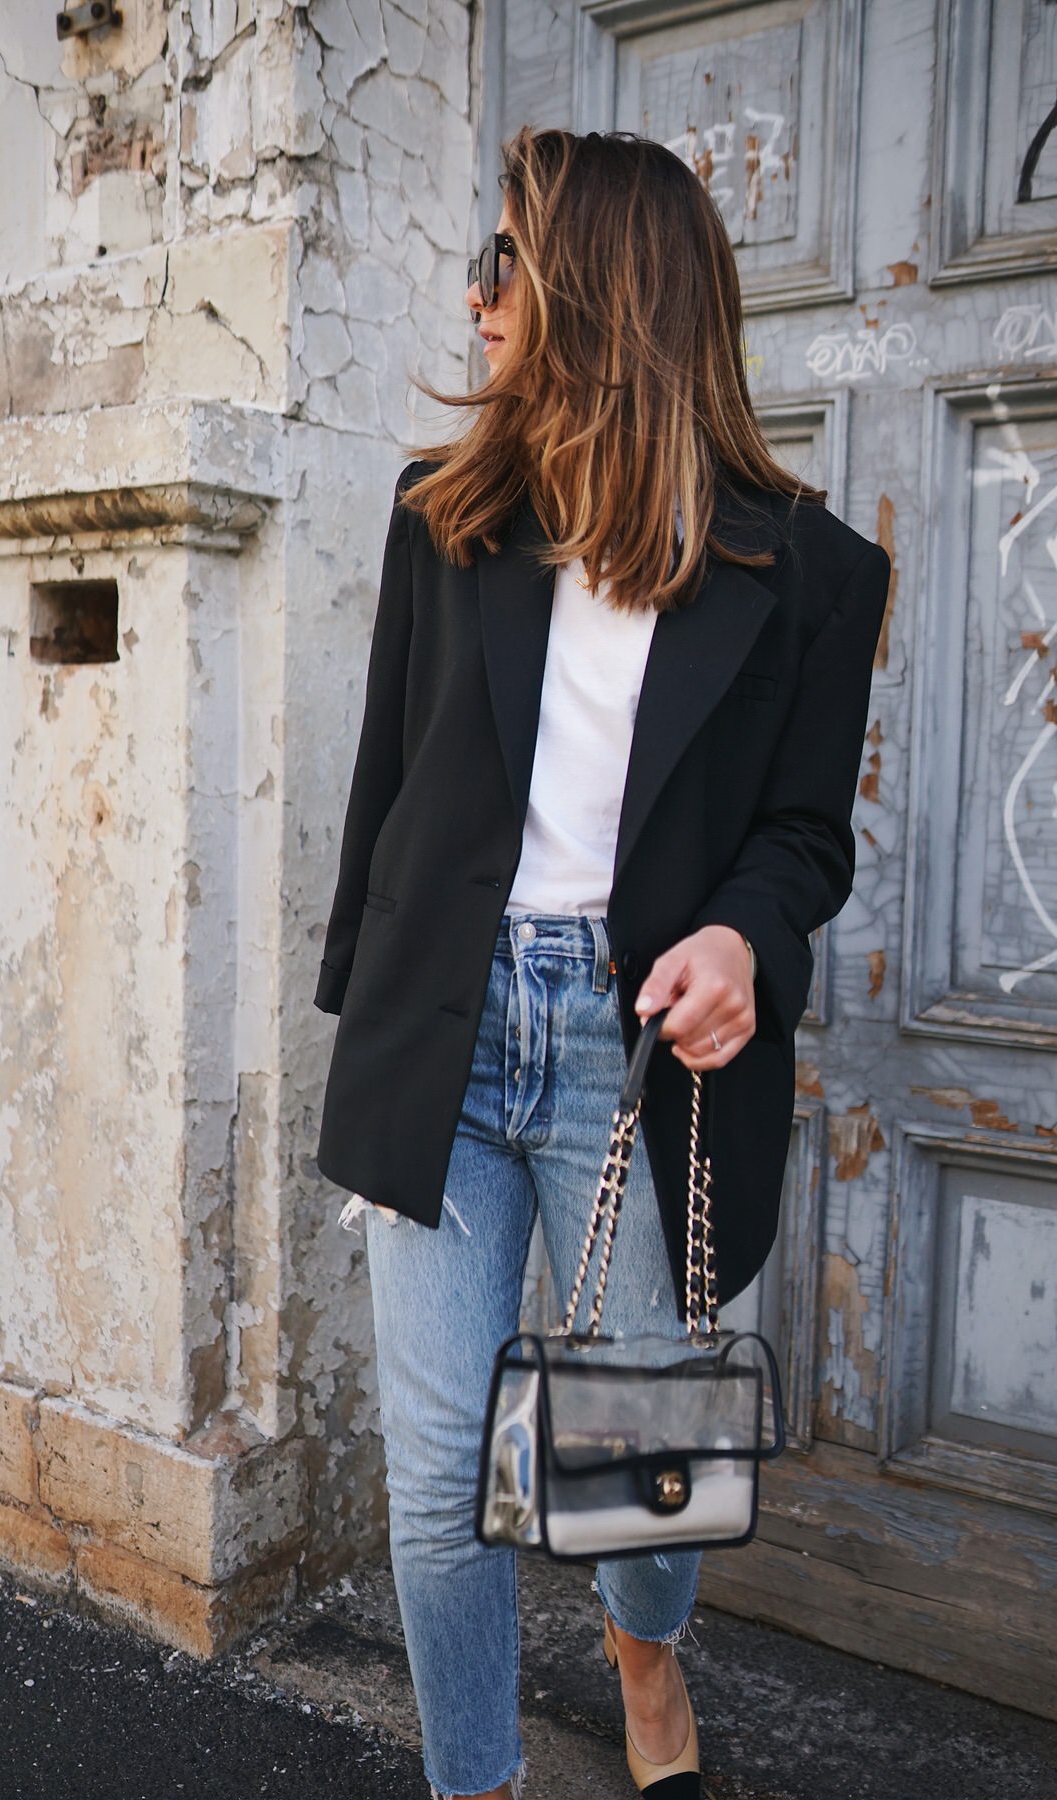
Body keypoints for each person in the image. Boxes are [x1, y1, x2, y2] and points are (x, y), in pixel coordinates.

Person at [313, 127, 891, 1800]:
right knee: (436, 1484)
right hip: (447, 1031)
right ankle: (477, 1779)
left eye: (502, 263)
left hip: (639, 1063)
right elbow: (386, 790)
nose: (477, 300)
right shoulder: (444, 522)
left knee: (644, 1475)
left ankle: (649, 1666)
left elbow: (805, 840)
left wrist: (745, 942)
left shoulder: (807, 573)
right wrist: (374, 1050)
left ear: (593, 296)